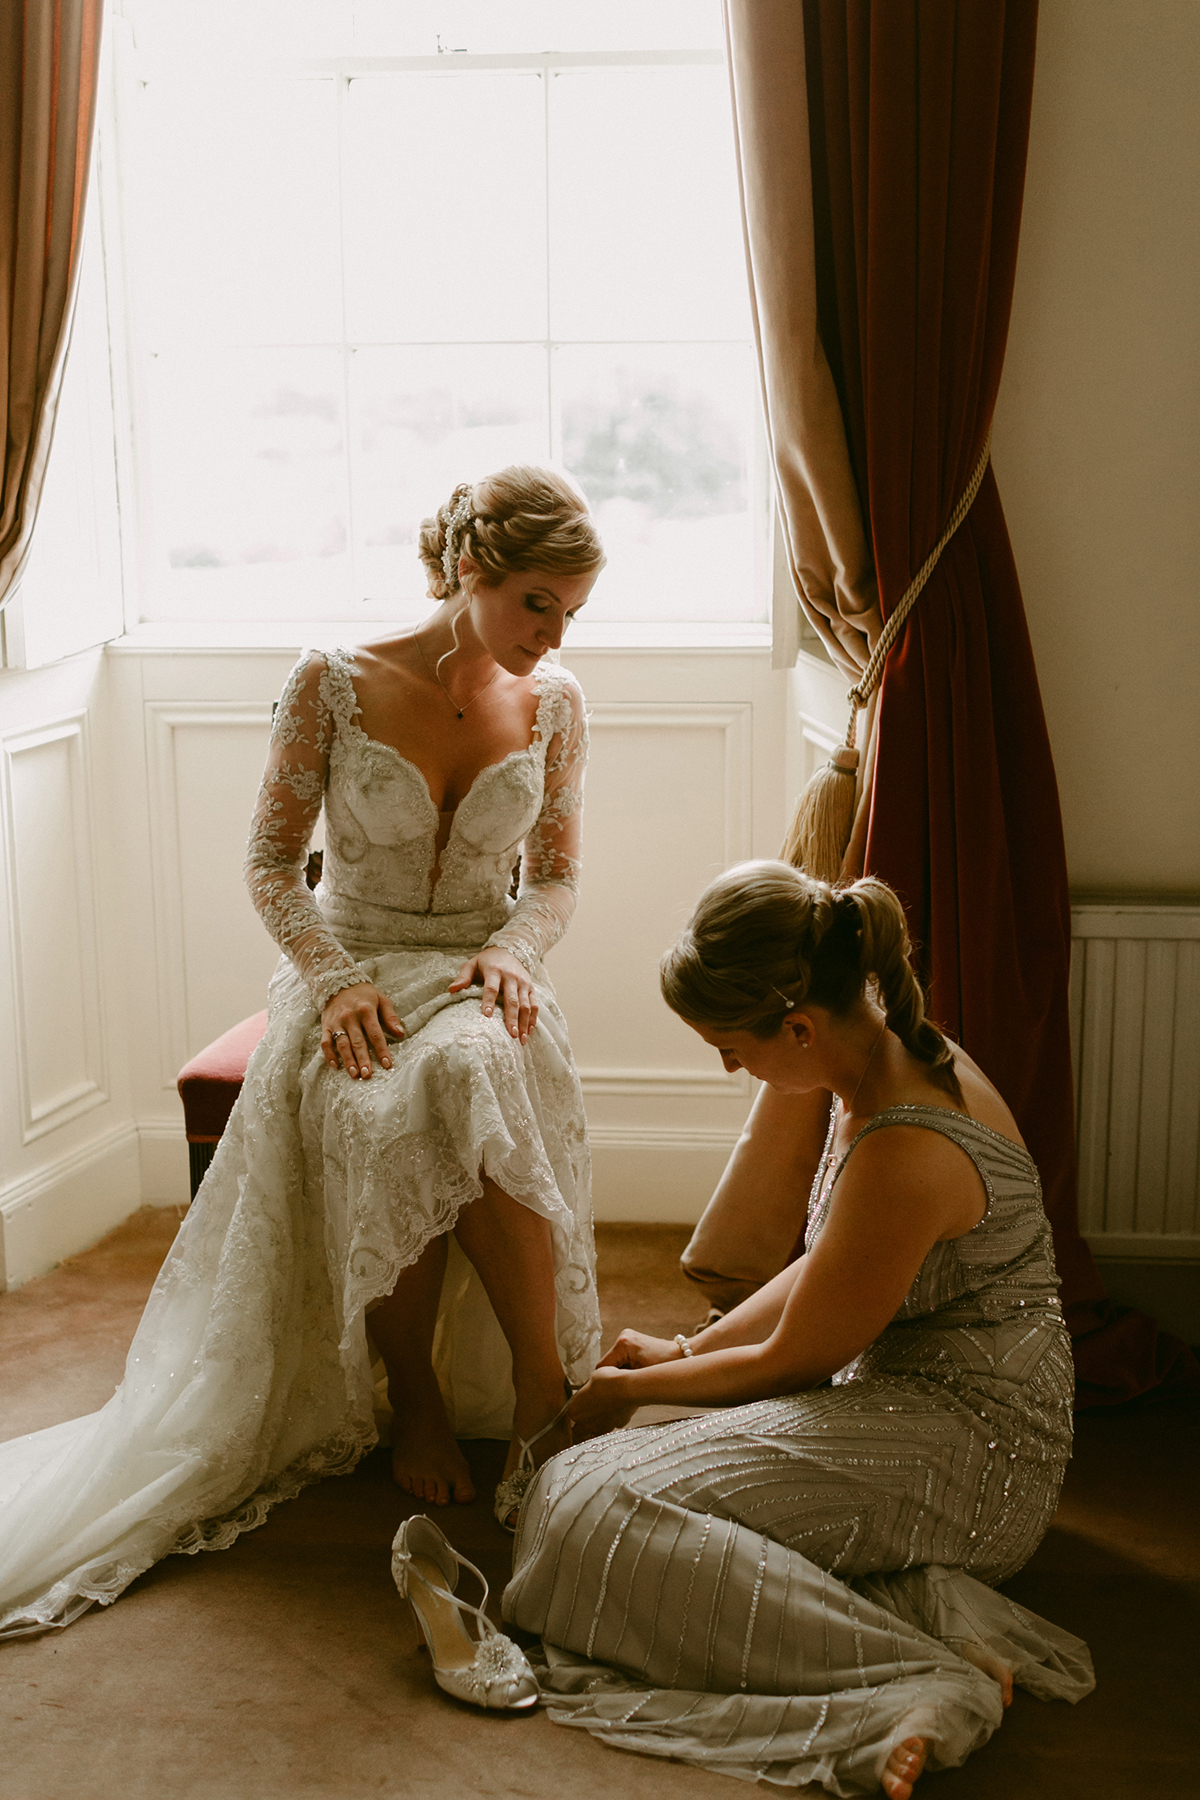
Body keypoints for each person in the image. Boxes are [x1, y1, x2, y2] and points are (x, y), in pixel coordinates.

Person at [0, 464, 604, 1638]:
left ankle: (543, 1390)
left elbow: (562, 877)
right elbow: (274, 867)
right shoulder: (330, 682)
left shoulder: (561, 703)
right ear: (472, 571)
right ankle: (416, 1396)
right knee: (394, 1098)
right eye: (539, 602)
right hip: (355, 969)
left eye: (572, 613)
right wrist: (332, 985)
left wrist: (520, 951)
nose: (555, 634)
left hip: (487, 972)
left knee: (468, 1066)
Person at [504, 861, 1093, 1798]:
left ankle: (911, 1678)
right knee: (590, 1477)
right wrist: (686, 1352)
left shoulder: (907, 1143)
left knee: (594, 1511)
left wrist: (640, 1385)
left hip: (976, 1451)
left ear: (799, 1027)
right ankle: (919, 1600)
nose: (730, 1069)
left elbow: (796, 1359)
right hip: (908, 1404)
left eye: (731, 1050)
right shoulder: (884, 1058)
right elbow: (824, 1272)